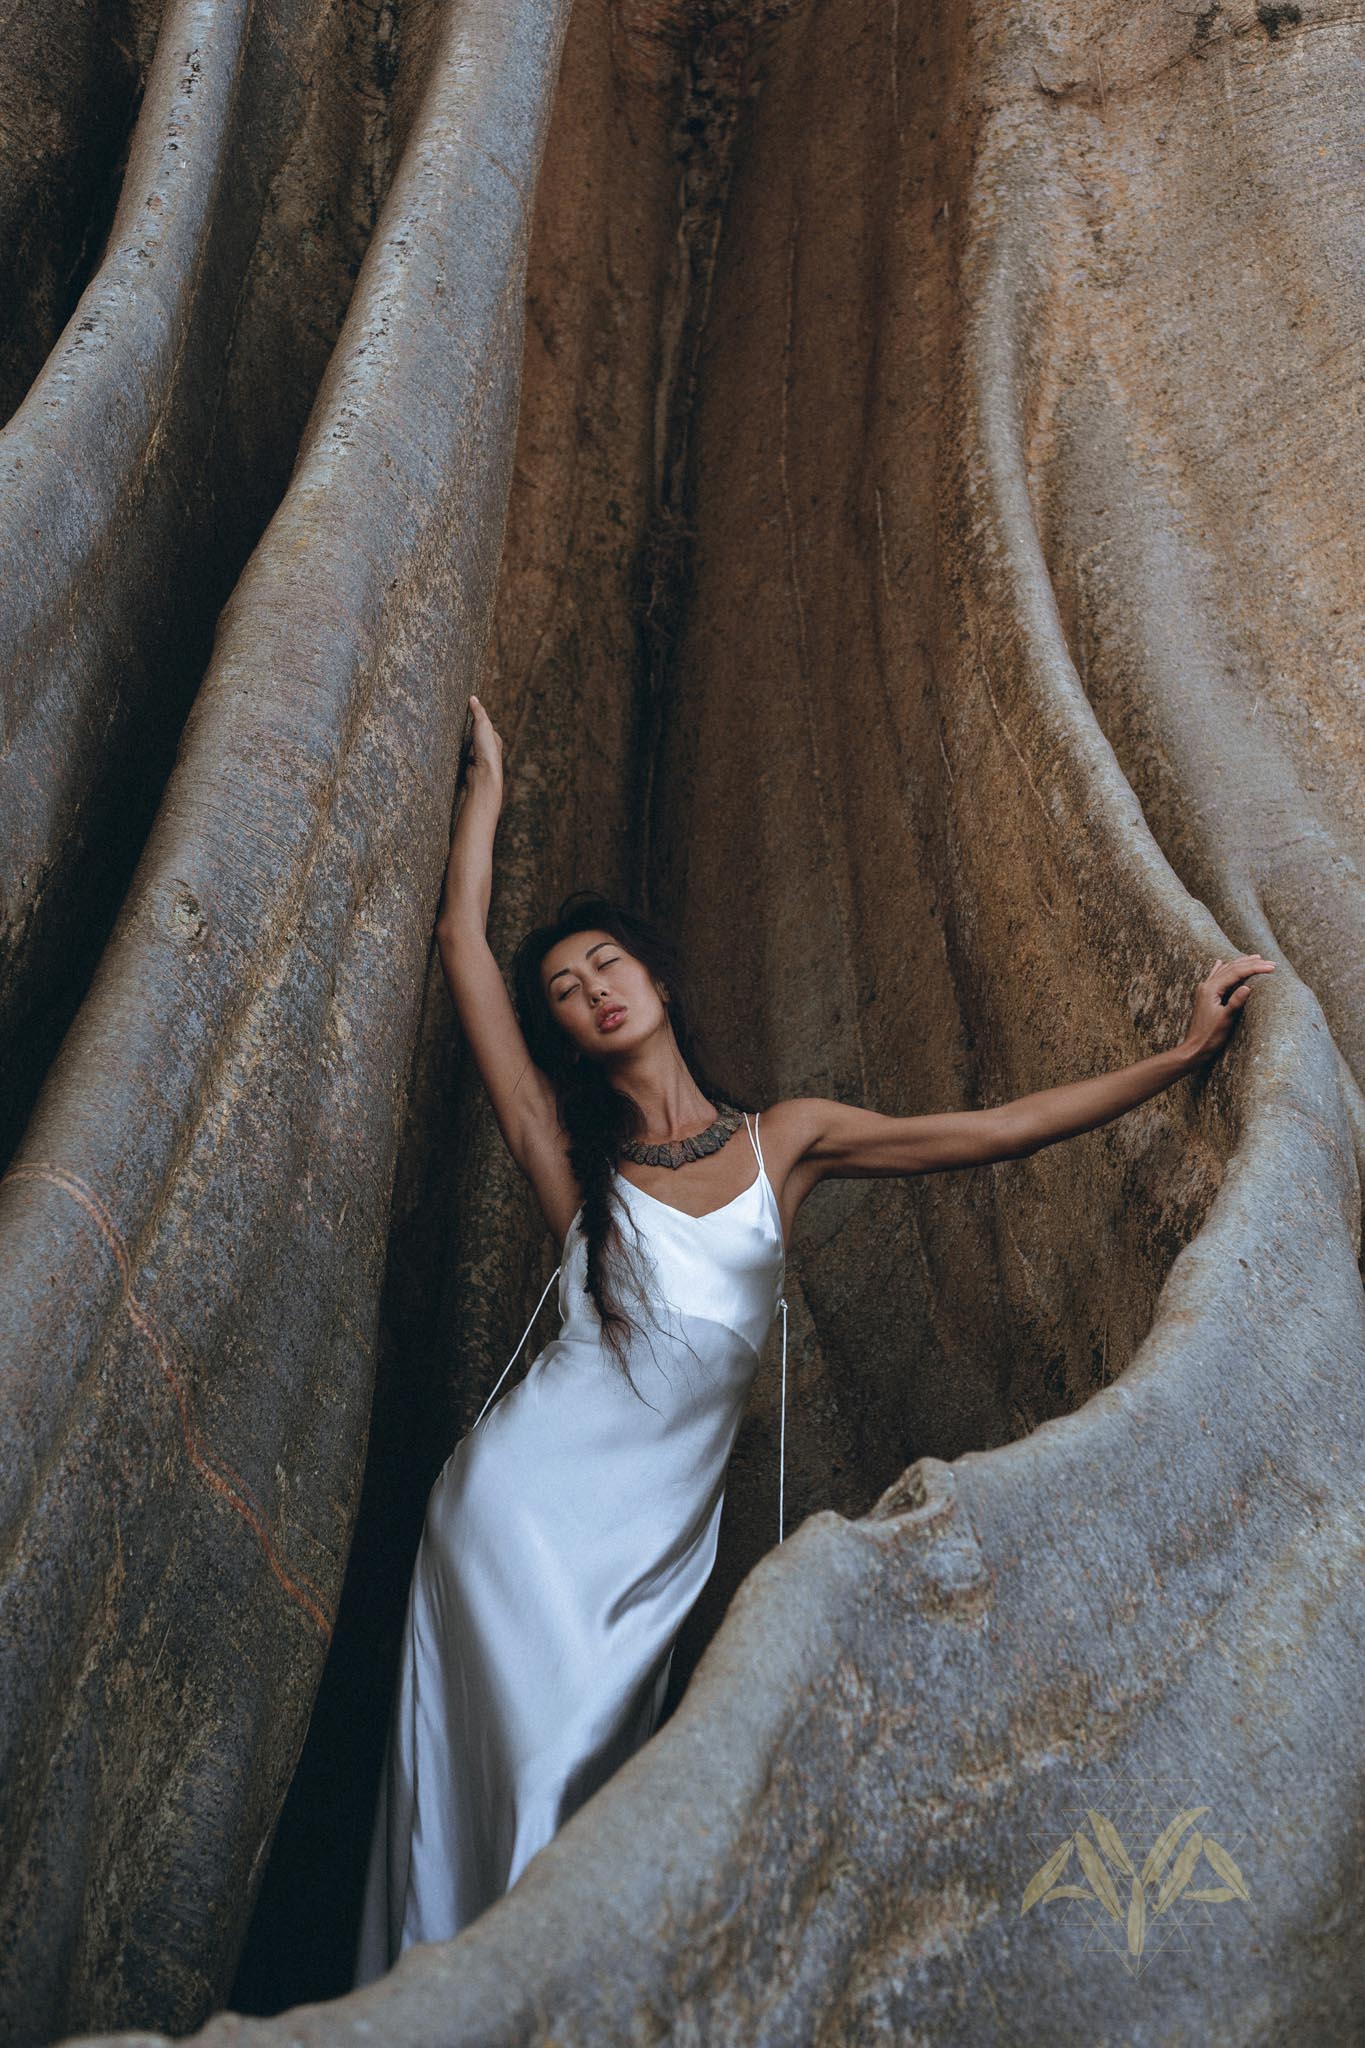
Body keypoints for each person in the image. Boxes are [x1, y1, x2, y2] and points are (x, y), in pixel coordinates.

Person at [352, 694, 1274, 1981]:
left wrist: (1180, 1054)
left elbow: (993, 1128)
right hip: (515, 1523)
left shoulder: (782, 1140)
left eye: (606, 963)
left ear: (657, 976)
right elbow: (461, 938)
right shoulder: (575, 1165)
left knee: (590, 1808)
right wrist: (488, 788)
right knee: (529, 1784)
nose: (590, 990)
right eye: (563, 988)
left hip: (651, 1554)